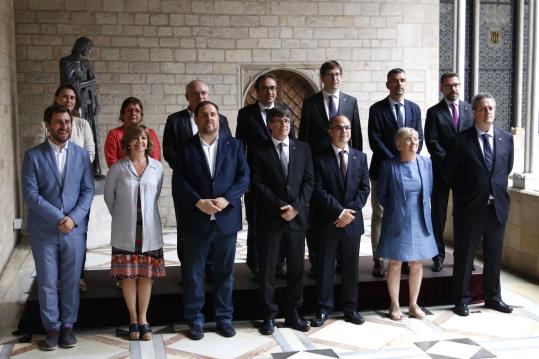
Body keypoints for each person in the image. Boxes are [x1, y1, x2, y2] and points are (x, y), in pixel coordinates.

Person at [172, 101, 249, 340]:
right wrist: (198, 202)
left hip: (226, 220)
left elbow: (244, 177)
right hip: (196, 221)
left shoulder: (235, 145)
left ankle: (224, 318)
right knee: (194, 274)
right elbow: (180, 182)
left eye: (213, 114)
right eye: (204, 115)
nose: (209, 118)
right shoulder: (184, 148)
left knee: (225, 274)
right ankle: (195, 319)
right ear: (196, 119)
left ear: (219, 118)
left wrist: (228, 199)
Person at [22, 104, 95, 351]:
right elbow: (31, 194)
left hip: (74, 230)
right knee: (47, 282)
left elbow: (88, 190)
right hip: (44, 231)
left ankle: (67, 327)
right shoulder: (33, 156)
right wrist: (58, 217)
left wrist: (73, 218)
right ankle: (52, 329)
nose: (64, 126)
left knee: (72, 281)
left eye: (67, 122)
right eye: (58, 122)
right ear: (48, 125)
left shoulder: (82, 155)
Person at [443, 93, 514, 317]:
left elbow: (506, 169)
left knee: (494, 255)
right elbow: (448, 173)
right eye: (483, 108)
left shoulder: (505, 138)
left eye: (491, 108)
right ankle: (461, 299)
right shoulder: (460, 140)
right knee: (464, 255)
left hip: (496, 208)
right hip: (470, 207)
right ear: (474, 112)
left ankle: (493, 297)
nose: (488, 112)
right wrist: (467, 192)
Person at [249, 107, 313, 335]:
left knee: (296, 268)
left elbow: (309, 182)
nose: (284, 125)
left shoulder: (303, 148)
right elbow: (257, 184)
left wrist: (296, 208)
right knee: (268, 270)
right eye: (278, 121)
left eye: (287, 121)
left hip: (296, 219)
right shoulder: (258, 150)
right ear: (269, 125)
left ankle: (293, 313)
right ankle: (268, 315)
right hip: (270, 219)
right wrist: (280, 207)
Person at [298, 60, 363, 277]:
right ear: (322, 78)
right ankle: (319, 264)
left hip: (345, 169)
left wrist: (356, 167)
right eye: (330, 74)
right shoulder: (310, 103)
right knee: (319, 220)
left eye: (338, 74)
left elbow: (357, 140)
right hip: (320, 169)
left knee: (343, 219)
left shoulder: (350, 101)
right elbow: (304, 138)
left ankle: (341, 265)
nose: (334, 78)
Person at [162, 80, 231, 283]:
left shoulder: (222, 119)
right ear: (187, 97)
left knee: (214, 225)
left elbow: (227, 148)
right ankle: (188, 269)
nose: (200, 97)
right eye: (195, 94)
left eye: (204, 93)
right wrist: (189, 169)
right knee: (187, 226)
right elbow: (168, 150)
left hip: (215, 183)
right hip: (187, 185)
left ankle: (211, 268)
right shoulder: (175, 120)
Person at [104, 124, 166, 341]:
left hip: (149, 230)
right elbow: (109, 198)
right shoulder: (117, 169)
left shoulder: (157, 167)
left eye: (144, 138)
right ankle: (132, 319)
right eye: (136, 138)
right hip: (126, 230)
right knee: (129, 276)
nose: (140, 142)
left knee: (145, 276)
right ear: (128, 142)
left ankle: (144, 319)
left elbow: (155, 194)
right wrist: (123, 215)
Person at [35, 84, 96, 292]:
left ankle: (77, 276)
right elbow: (41, 149)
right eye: (64, 97)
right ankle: (57, 278)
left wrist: (75, 169)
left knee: (78, 236)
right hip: (52, 191)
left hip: (77, 187)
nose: (68, 100)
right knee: (53, 241)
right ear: (56, 99)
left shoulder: (82, 124)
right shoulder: (46, 124)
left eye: (72, 98)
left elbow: (90, 151)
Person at [310, 115, 370, 328]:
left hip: (352, 223)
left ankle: (350, 308)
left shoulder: (360, 158)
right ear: (330, 131)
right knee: (325, 268)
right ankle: (323, 309)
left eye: (347, 128)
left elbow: (365, 188)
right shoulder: (318, 157)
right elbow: (318, 190)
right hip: (328, 221)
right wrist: (338, 212)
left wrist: (349, 213)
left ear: (351, 131)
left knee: (350, 268)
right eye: (338, 128)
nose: (343, 131)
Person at [236, 73, 295, 280]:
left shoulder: (284, 111)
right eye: (265, 88)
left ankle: (280, 263)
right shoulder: (246, 114)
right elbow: (239, 146)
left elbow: (293, 146)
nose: (270, 92)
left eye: (273, 88)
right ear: (257, 91)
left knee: (282, 223)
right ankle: (256, 265)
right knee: (256, 225)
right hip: (256, 181)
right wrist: (244, 179)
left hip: (282, 180)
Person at [376, 127, 438, 321]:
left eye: (417, 139)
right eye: (409, 140)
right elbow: (381, 195)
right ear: (399, 144)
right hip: (397, 219)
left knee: (417, 262)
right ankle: (394, 304)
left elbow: (429, 189)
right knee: (395, 262)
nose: (414, 143)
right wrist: (397, 209)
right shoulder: (388, 166)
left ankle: (413, 304)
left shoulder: (426, 163)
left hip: (420, 217)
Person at [368, 68, 423, 278]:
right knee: (380, 214)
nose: (399, 84)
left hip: (409, 172)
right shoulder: (377, 109)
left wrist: (406, 160)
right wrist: (395, 160)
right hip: (383, 169)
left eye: (402, 80)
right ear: (387, 85)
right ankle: (378, 258)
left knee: (407, 214)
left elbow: (420, 138)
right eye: (395, 81)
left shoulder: (414, 109)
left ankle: (405, 256)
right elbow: (375, 140)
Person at [424, 72, 473, 272]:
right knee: (439, 214)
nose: (453, 89)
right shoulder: (434, 112)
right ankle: (438, 256)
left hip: (466, 172)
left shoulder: (470, 110)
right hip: (441, 171)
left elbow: (473, 139)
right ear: (441, 88)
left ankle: (463, 257)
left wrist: (463, 164)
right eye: (449, 85)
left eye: (456, 85)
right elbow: (432, 142)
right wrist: (451, 163)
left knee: (464, 215)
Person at [59, 36, 102, 176]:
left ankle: (92, 169)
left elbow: (93, 85)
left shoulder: (86, 63)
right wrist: (87, 83)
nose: (89, 52)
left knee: (92, 137)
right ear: (82, 47)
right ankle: (78, 171)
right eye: (88, 49)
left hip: (89, 104)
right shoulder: (66, 62)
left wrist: (96, 102)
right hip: (76, 106)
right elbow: (70, 84)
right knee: (78, 137)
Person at [104, 97, 161, 168]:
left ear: (141, 116)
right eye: (129, 110)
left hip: (148, 175)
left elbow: (155, 158)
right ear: (122, 114)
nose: (133, 113)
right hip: (122, 176)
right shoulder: (114, 134)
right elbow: (112, 161)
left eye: (137, 111)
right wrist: (130, 175)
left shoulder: (150, 133)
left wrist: (142, 174)